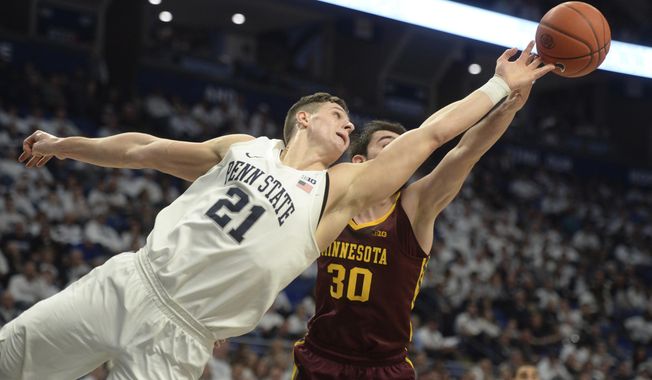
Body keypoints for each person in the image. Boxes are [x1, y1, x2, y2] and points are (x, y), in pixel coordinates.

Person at [0, 42, 552, 379]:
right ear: (305, 119)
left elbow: (433, 136)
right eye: (339, 114)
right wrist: (67, 145)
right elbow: (143, 150)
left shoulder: (340, 191)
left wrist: (499, 86)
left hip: (183, 333)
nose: (349, 124)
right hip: (128, 281)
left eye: (351, 123)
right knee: (9, 358)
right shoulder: (245, 146)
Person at [291, 78, 535, 379]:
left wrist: (508, 109)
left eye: (403, 147)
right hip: (321, 356)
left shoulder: (414, 206)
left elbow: (466, 152)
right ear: (359, 161)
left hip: (384, 365)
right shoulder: (330, 199)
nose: (400, 153)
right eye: (387, 145)